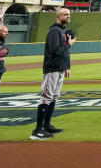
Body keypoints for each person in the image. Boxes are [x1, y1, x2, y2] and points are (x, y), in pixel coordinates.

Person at [31, 8, 75, 140]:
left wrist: (66, 66)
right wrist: (69, 44)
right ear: (58, 16)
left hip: (60, 68)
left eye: (69, 14)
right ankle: (38, 130)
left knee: (54, 97)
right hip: (52, 68)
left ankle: (47, 125)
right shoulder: (54, 31)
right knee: (46, 97)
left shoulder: (62, 31)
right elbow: (56, 50)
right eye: (65, 14)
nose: (68, 16)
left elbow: (63, 52)